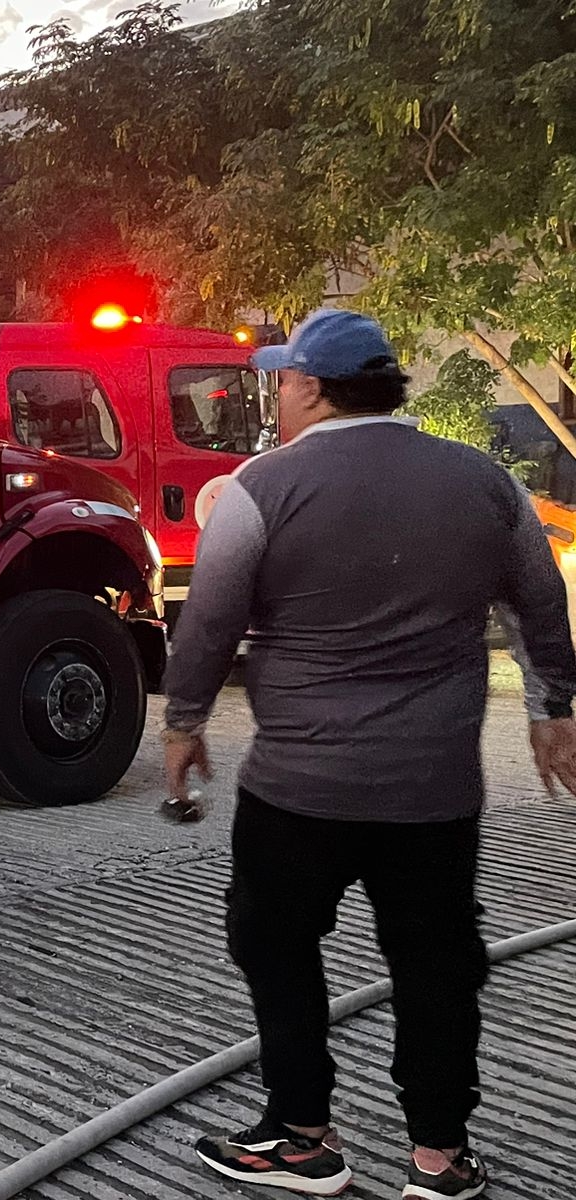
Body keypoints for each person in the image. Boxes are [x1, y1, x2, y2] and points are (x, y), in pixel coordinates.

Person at [162, 308, 576, 1199]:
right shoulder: (484, 482)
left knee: (274, 944)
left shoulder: (260, 487)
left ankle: (303, 1137)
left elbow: (210, 622)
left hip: (298, 788)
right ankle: (439, 1158)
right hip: (433, 788)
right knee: (436, 962)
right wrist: (552, 710)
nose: (278, 390)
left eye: (284, 377)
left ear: (310, 386)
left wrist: (183, 722)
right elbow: (540, 605)